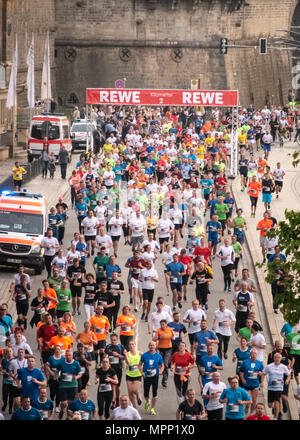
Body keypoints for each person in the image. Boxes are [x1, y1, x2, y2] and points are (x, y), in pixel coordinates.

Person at [263, 352, 291, 420]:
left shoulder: (283, 367)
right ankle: (274, 408)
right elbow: (263, 373)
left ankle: (275, 418)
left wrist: (287, 379)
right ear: (273, 358)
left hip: (279, 387)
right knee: (270, 405)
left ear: (281, 359)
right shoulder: (269, 366)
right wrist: (261, 381)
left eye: (278, 357)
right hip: (270, 388)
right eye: (275, 357)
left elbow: (288, 374)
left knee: (277, 401)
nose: (277, 359)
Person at [139, 341, 164, 416]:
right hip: (146, 376)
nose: (152, 346)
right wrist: (141, 372)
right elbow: (140, 364)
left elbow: (162, 365)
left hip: (155, 376)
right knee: (146, 393)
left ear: (155, 346)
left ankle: (152, 408)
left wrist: (161, 371)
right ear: (148, 346)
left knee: (154, 392)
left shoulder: (158, 356)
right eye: (150, 345)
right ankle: (147, 401)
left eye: (153, 345)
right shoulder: (144, 355)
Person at [57, 349, 82, 420]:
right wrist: (57, 377)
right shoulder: (61, 363)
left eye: (69, 355)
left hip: (73, 385)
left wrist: (75, 377)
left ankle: (67, 416)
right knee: (64, 403)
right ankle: (62, 411)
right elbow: (57, 371)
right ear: (65, 356)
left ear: (72, 356)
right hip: (63, 385)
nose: (68, 357)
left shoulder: (76, 363)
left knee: (70, 403)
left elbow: (80, 374)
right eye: (67, 355)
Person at [239, 348, 264, 414]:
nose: (253, 355)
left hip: (255, 384)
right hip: (247, 383)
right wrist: (242, 379)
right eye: (252, 353)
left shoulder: (259, 363)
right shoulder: (245, 362)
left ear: (257, 354)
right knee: (249, 398)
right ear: (250, 354)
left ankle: (251, 413)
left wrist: (261, 382)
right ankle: (247, 406)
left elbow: (262, 373)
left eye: (255, 353)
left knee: (254, 400)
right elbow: (241, 372)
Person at [124, 340, 142, 408]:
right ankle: (134, 406)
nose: (131, 346)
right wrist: (125, 355)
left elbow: (144, 360)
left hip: (137, 374)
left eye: (132, 344)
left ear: (135, 345)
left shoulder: (139, 353)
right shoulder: (127, 354)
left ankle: (138, 396)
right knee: (130, 392)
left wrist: (139, 365)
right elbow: (128, 363)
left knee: (135, 390)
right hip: (129, 374)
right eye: (130, 344)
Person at [1, 347, 15, 414]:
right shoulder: (4, 360)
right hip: (6, 380)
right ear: (5, 353)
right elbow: (2, 368)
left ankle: (10, 408)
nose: (9, 353)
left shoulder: (15, 360)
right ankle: (5, 403)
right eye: (7, 351)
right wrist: (2, 370)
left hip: (13, 380)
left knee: (11, 396)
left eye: (10, 351)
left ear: (12, 352)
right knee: (5, 395)